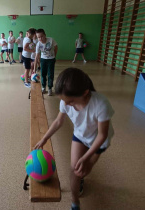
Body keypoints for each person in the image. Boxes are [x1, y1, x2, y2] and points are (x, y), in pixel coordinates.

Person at [34, 68, 114, 210]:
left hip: (98, 141)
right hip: (80, 135)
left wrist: (86, 158)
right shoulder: (65, 101)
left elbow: (102, 136)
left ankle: (82, 177)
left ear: (85, 93)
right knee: (74, 169)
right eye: (64, 101)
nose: (66, 104)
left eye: (70, 101)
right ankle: (75, 201)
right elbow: (59, 121)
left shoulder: (101, 104)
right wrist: (44, 138)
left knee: (84, 169)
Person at [34, 29, 58, 96]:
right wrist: (34, 69)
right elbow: (36, 56)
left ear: (45, 35)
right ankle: (44, 87)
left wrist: (54, 56)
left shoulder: (51, 40)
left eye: (41, 36)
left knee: (50, 74)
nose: (40, 38)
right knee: (43, 74)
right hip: (43, 59)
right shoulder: (38, 44)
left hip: (51, 59)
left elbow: (56, 47)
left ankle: (50, 88)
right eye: (38, 37)